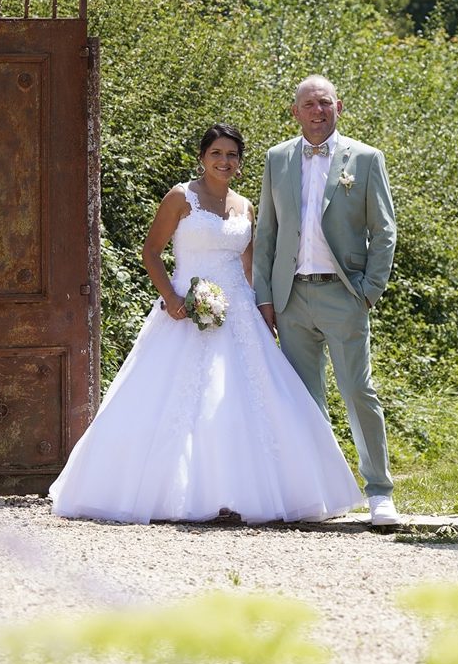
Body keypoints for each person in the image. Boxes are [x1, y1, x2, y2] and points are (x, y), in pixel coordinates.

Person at [49, 123, 363, 524]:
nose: (224, 161)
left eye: (232, 155)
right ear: (202, 157)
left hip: (239, 313)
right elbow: (151, 252)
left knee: (249, 398)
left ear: (240, 162)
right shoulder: (181, 197)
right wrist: (171, 298)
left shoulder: (245, 206)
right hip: (185, 309)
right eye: (216, 153)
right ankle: (167, 494)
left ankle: (245, 494)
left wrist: (263, 309)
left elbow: (250, 266)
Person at [253, 75, 399, 526]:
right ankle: (318, 492)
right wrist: (265, 298)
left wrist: (369, 292)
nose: (317, 111)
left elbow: (384, 231)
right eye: (309, 104)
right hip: (291, 297)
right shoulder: (277, 158)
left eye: (324, 103)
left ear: (339, 106)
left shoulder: (366, 159)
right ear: (295, 111)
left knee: (357, 391)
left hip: (344, 294)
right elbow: (266, 233)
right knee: (303, 399)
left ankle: (379, 492)